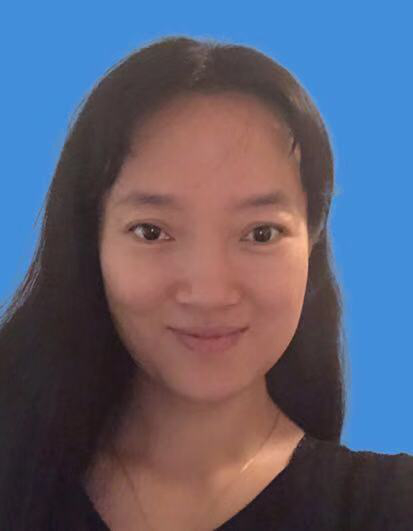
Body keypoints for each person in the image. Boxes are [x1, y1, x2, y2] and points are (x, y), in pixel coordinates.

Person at [0, 35, 411, 531]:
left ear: (313, 241)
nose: (209, 293)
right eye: (152, 232)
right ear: (93, 242)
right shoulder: (16, 475)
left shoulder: (389, 506)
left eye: (261, 233)